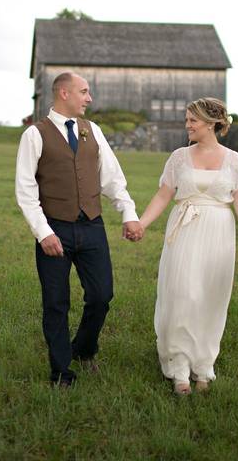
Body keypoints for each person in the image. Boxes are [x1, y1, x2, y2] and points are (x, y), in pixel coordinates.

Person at [15, 72, 144, 387]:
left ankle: (84, 348)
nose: (89, 98)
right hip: (54, 228)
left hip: (92, 227)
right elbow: (25, 190)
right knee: (56, 302)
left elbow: (113, 178)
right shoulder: (35, 134)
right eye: (84, 92)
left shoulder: (93, 131)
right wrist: (43, 232)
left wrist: (128, 212)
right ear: (63, 92)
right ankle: (62, 371)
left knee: (102, 296)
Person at [138, 98, 238, 395]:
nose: (187, 126)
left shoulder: (235, 161)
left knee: (211, 296)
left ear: (211, 123)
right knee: (183, 294)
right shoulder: (179, 157)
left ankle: (203, 364)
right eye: (187, 120)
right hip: (184, 230)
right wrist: (141, 224)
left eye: (192, 121)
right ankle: (179, 364)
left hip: (219, 233)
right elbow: (163, 196)